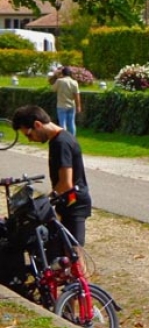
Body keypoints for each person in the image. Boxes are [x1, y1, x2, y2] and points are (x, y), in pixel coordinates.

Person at [11, 105, 92, 246]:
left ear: (37, 124)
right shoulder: (58, 140)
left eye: (29, 134)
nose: (30, 140)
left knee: (74, 252)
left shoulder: (61, 143)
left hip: (74, 203)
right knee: (63, 248)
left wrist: (44, 202)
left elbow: (66, 184)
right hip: (67, 203)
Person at [50, 66, 82, 136]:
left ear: (62, 73)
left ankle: (64, 138)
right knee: (71, 123)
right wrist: (78, 106)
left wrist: (57, 77)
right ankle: (73, 138)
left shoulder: (59, 81)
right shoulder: (74, 82)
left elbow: (52, 89)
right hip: (71, 105)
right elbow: (77, 95)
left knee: (62, 123)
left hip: (61, 105)